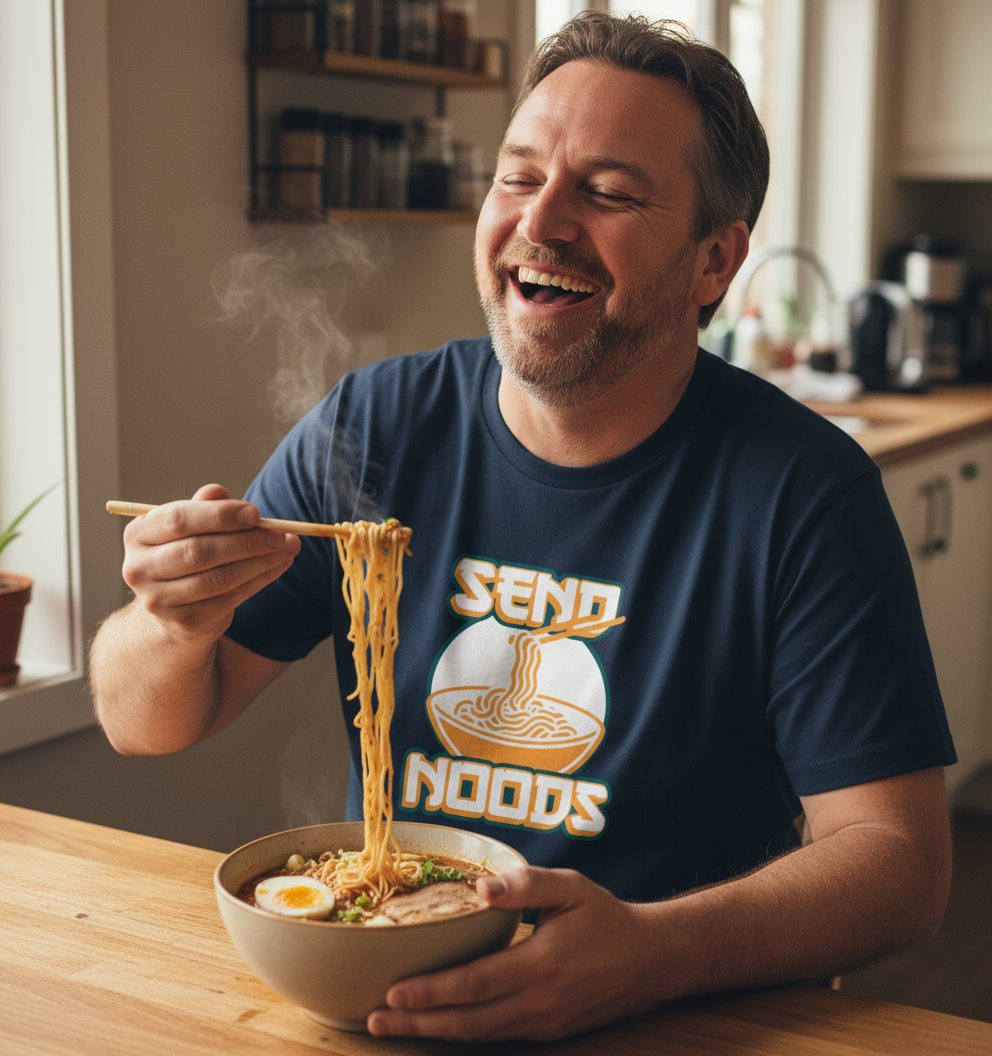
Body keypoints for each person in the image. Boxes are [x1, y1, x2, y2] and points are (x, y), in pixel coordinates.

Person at [90, 13, 955, 1043]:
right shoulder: (374, 428)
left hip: (684, 1013)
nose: (539, 223)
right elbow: (144, 722)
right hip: (396, 992)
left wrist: (651, 951)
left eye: (607, 191)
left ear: (713, 261)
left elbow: (897, 867)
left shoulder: (802, 491)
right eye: (517, 177)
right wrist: (171, 621)